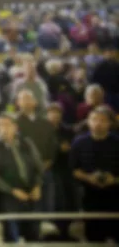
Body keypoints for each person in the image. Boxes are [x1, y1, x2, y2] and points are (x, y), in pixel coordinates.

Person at [0, 113, 44, 243]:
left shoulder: (27, 143)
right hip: (10, 196)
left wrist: (37, 185)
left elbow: (39, 167)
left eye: (7, 125)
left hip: (31, 194)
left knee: (34, 234)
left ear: (15, 127)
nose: (4, 129)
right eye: (0, 125)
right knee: (12, 235)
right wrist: (12, 190)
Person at [70, 106, 119, 243]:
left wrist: (114, 179)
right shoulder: (79, 142)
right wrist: (88, 178)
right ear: (88, 122)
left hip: (115, 195)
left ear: (109, 123)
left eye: (102, 120)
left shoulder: (117, 142)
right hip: (89, 195)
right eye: (94, 119)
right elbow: (74, 170)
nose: (98, 123)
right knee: (94, 236)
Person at [15, 89, 57, 212]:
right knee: (28, 208)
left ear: (35, 102)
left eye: (29, 98)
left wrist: (48, 162)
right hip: (24, 172)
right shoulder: (14, 123)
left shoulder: (45, 123)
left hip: (45, 169)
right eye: (23, 99)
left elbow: (52, 146)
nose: (26, 102)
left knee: (47, 206)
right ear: (18, 103)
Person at [46, 103, 77, 240]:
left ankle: (65, 231)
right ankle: (53, 231)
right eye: (51, 113)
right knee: (53, 201)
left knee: (67, 201)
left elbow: (72, 147)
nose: (54, 116)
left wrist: (67, 148)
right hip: (48, 169)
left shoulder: (68, 130)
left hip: (65, 169)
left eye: (57, 113)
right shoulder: (42, 129)